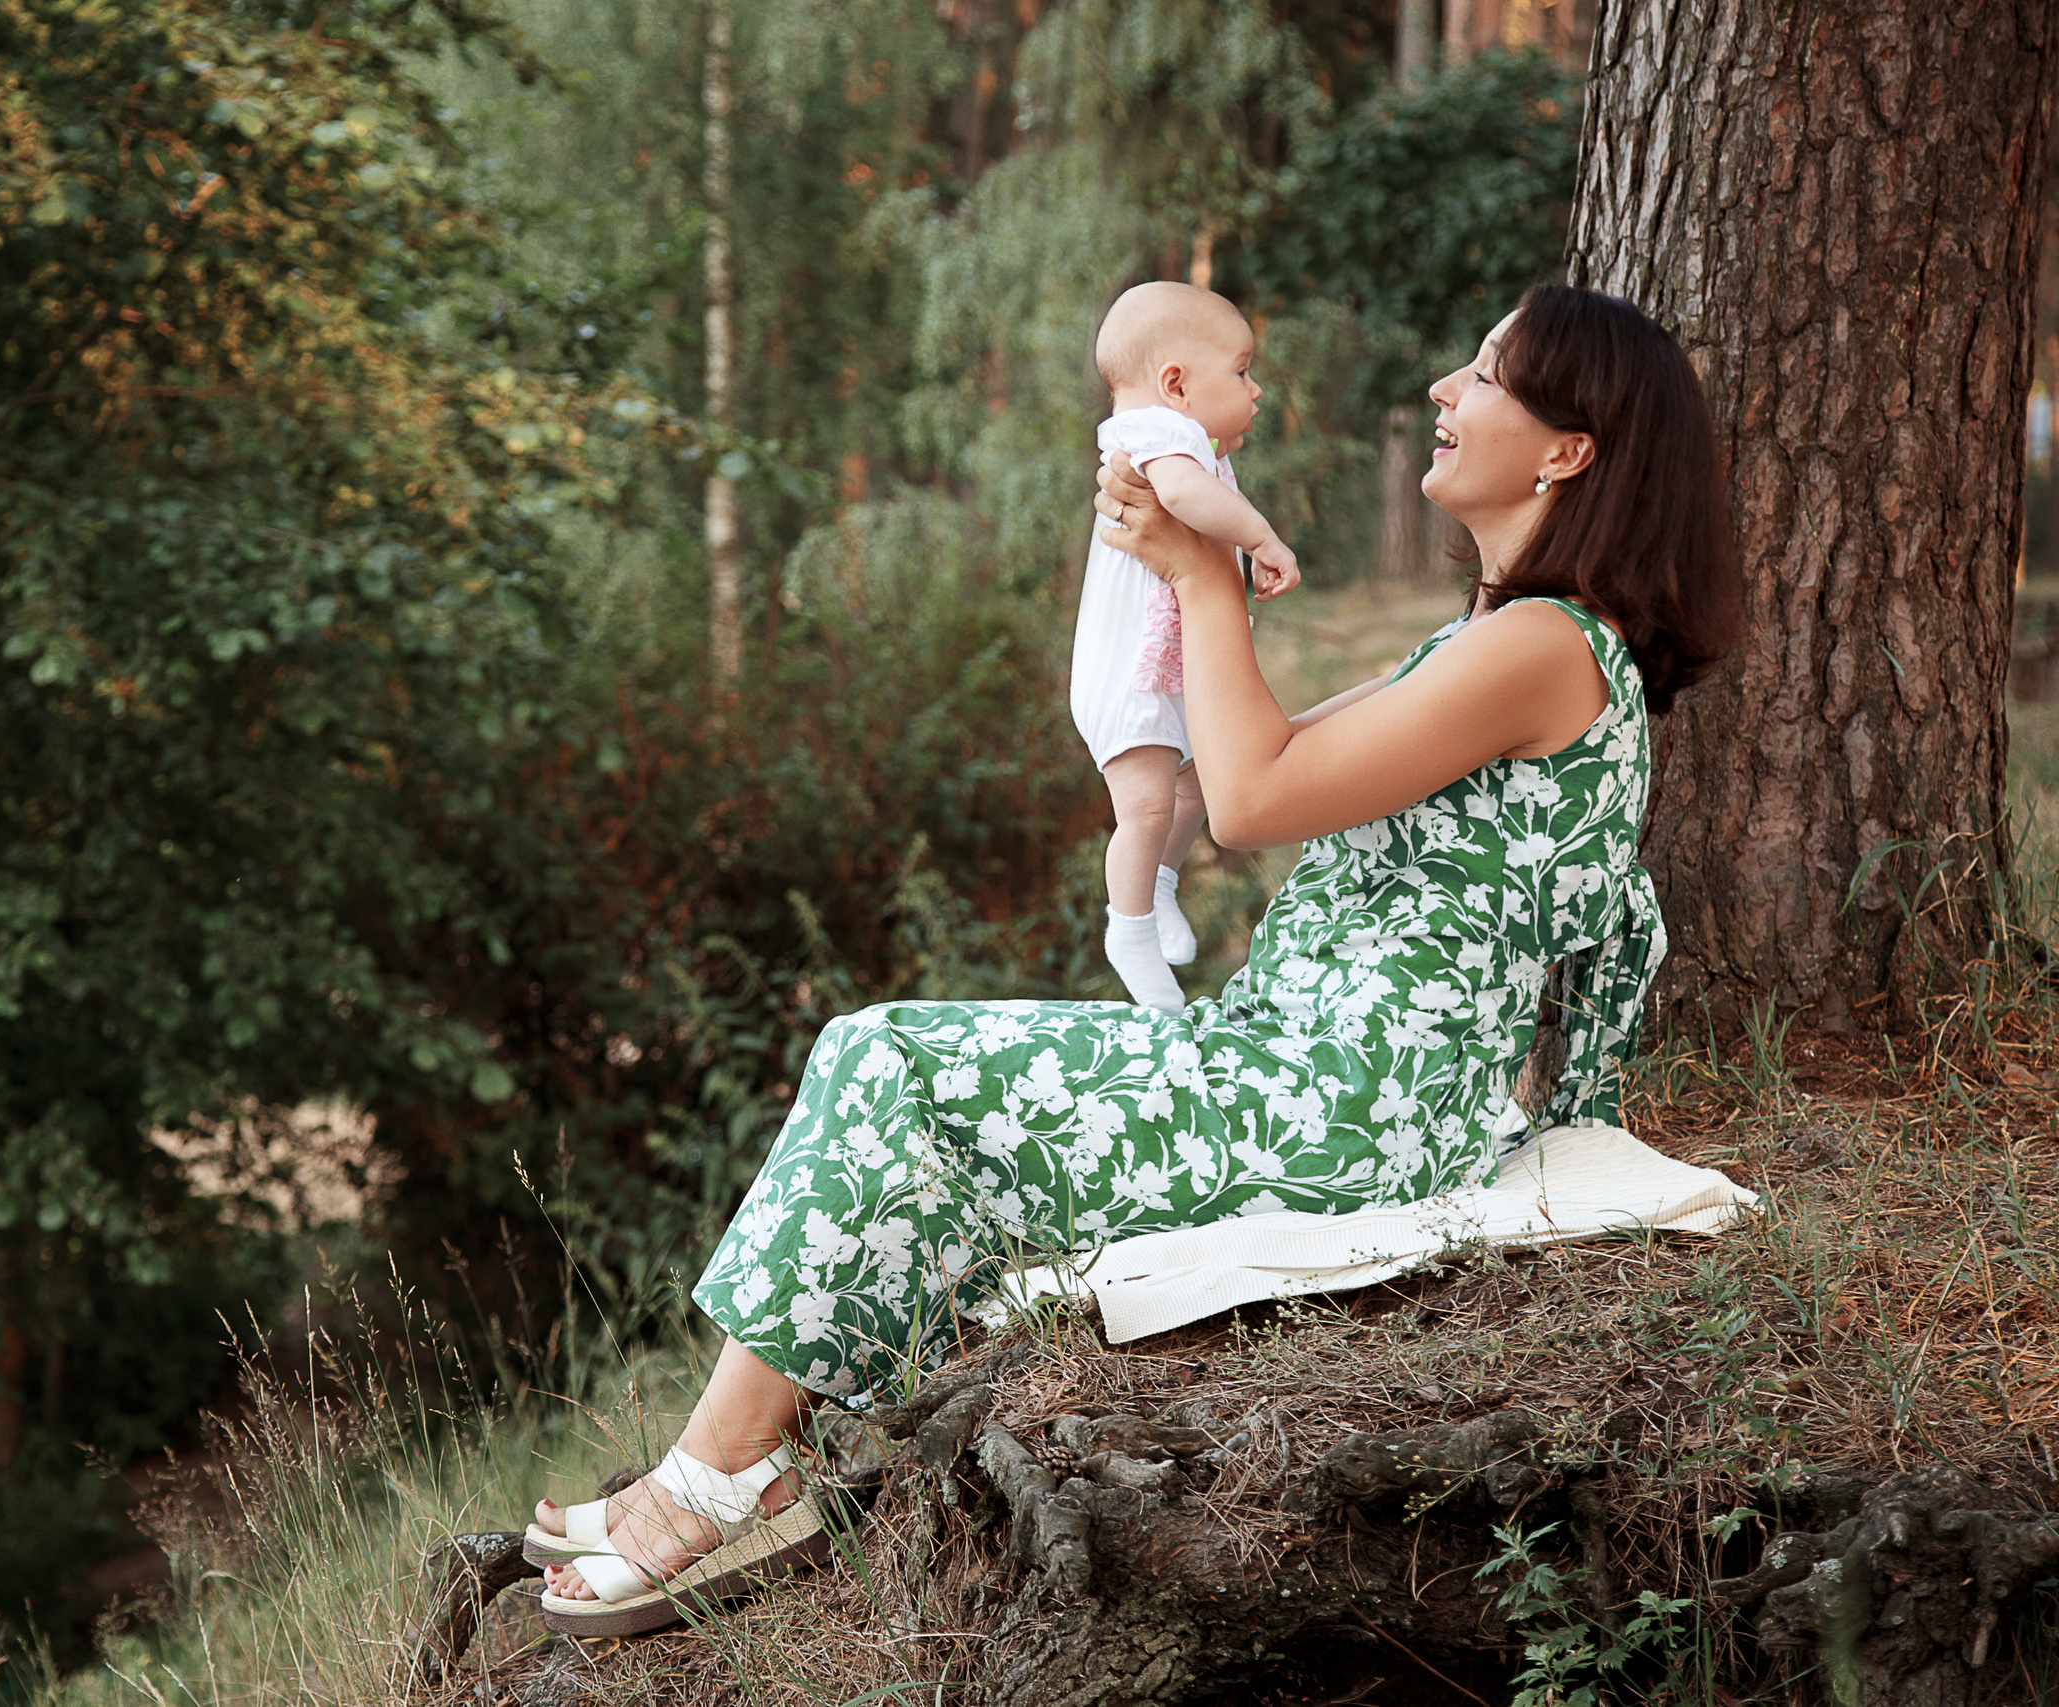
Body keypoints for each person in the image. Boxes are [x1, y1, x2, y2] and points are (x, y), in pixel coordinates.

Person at [525, 284, 1741, 1636]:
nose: (1444, 392)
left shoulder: (1541, 643)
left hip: (1345, 1103)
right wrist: (1166, 607)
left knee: (888, 1055)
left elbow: (1261, 793)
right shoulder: (1494, 639)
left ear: (1568, 450)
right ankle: (735, 1453)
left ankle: (721, 1473)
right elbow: (1245, 777)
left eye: (1486, 373)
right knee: (893, 1065)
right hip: (1303, 1065)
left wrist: (1200, 573)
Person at [1071, 282, 1302, 1012]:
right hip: (1130, 677)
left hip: (1165, 670)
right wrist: (1260, 534)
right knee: (1142, 808)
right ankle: (1128, 928)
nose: (1256, 389)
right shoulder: (1157, 439)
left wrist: (1221, 442)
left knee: (1196, 785)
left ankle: (1161, 885)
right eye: (1240, 372)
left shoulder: (1176, 435)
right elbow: (1184, 498)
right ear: (1175, 384)